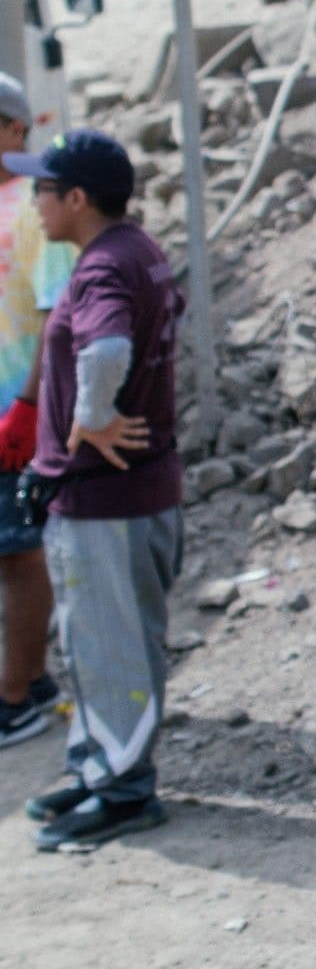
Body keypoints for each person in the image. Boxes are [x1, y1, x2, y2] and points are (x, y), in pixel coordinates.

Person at [2, 129, 185, 852]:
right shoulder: (134, 249)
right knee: (103, 641)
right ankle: (96, 765)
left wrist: (90, 418)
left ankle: (123, 788)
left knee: (112, 648)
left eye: (43, 189)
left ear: (76, 198)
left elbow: (106, 347)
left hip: (104, 498)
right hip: (130, 493)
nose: (36, 201)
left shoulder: (103, 267)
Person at [0, 75, 76, 747]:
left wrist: (26, 406)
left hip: (15, 417)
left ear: (14, 129)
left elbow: (56, 318)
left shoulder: (35, 207)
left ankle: (19, 692)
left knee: (18, 554)